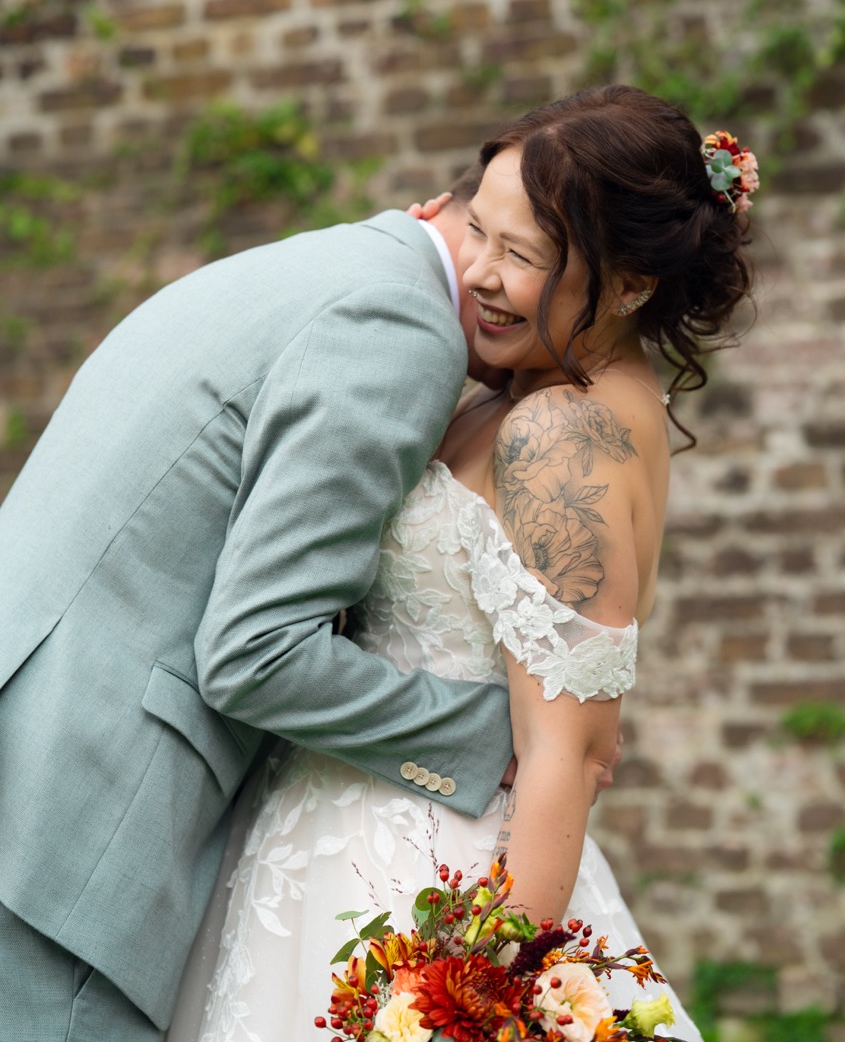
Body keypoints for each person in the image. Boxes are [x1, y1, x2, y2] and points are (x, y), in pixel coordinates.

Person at [168, 86, 756, 1042]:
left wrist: (477, 997)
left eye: (520, 256)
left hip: (425, 885)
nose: (477, 271)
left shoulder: (560, 436)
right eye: (476, 228)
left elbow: (567, 750)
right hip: (342, 836)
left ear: (629, 284)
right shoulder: (533, 387)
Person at [0, 176, 518, 1042]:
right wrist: (497, 737)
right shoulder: (401, 322)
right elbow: (257, 652)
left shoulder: (305, 267)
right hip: (68, 829)